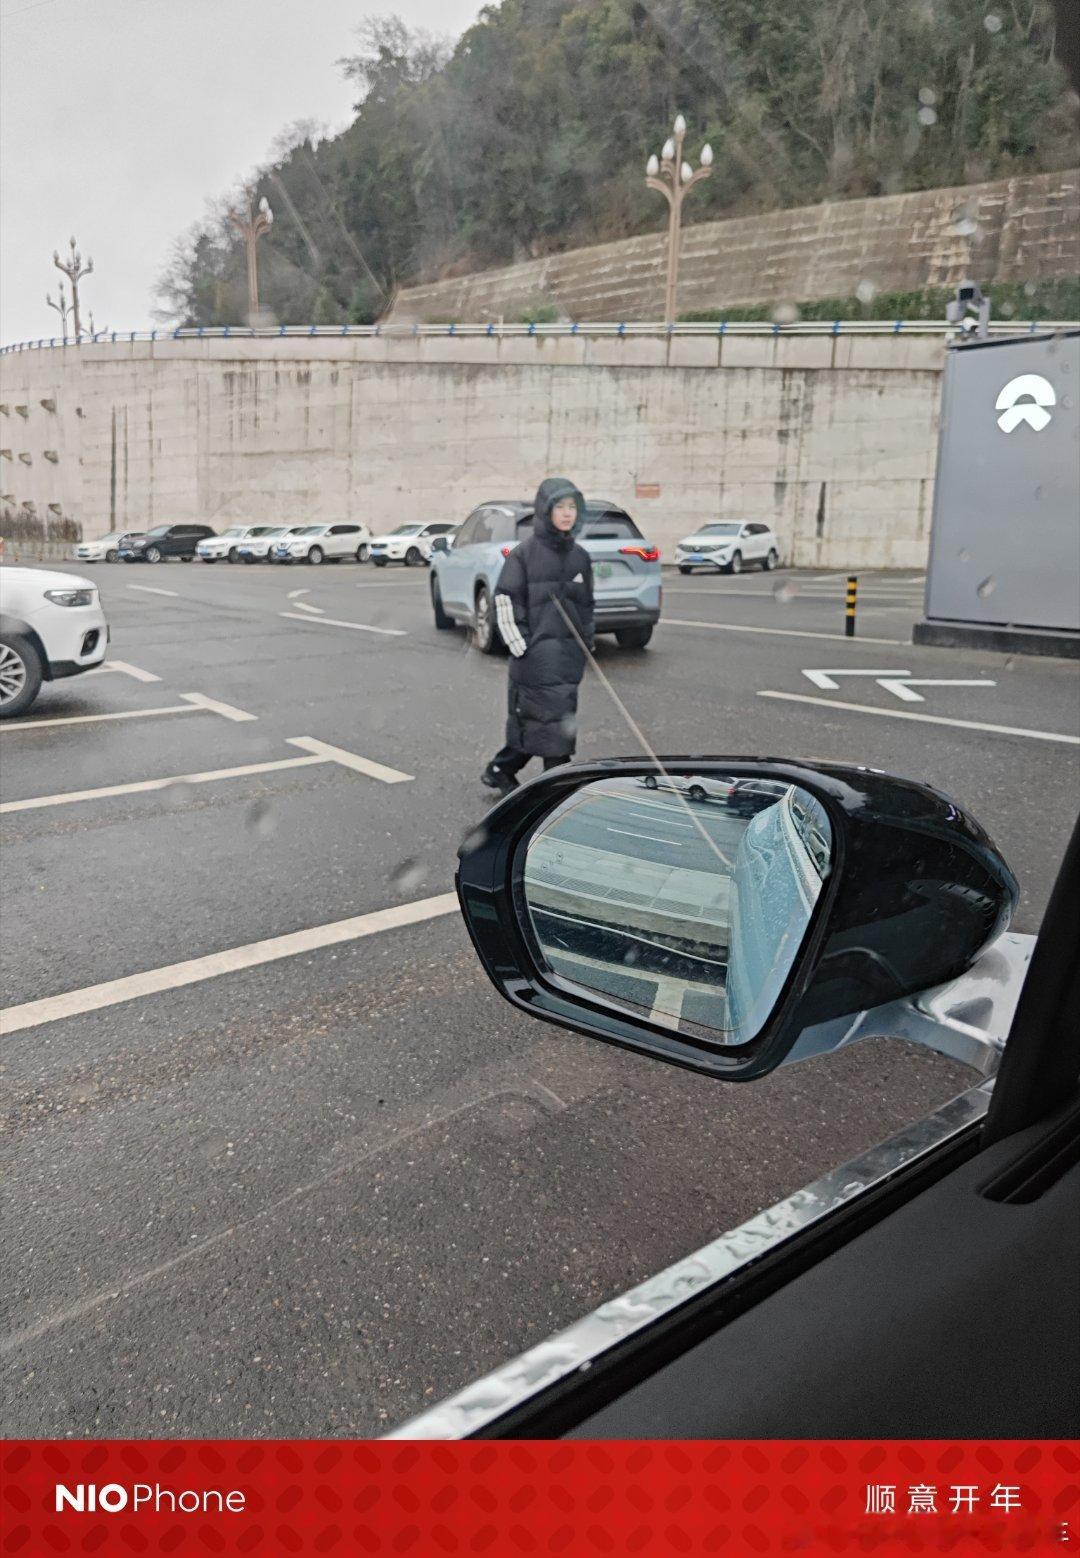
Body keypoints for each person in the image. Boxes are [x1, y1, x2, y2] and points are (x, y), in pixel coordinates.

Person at [481, 477, 594, 795]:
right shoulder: (523, 555)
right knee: (546, 726)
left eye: (573, 507)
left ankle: (501, 768)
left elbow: (586, 607)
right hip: (534, 662)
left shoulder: (580, 557)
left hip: (567, 662)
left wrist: (586, 643)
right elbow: (504, 601)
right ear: (546, 510)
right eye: (560, 506)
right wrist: (522, 647)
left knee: (542, 725)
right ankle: (556, 794)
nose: (567, 513)